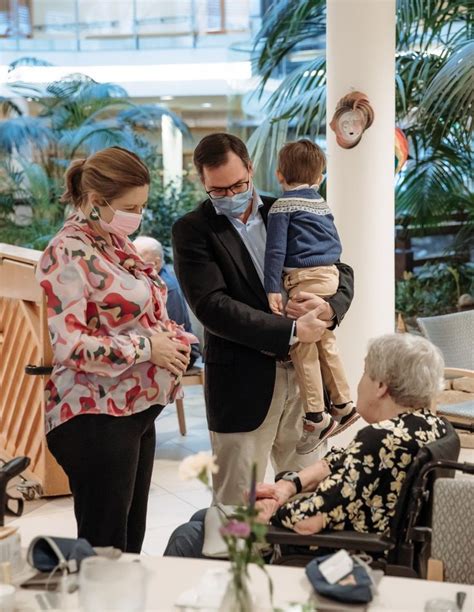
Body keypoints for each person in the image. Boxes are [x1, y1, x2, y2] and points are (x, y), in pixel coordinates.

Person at [172, 133, 354, 505]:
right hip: (244, 381)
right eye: (217, 190)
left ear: (251, 169)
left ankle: (295, 561)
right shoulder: (193, 230)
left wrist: (330, 307)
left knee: (305, 493)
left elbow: (338, 267)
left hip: (305, 385)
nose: (230, 195)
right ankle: (236, 563)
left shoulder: (284, 208)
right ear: (203, 182)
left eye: (238, 184)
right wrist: (290, 330)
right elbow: (211, 306)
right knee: (238, 501)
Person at [163, 333, 448, 558]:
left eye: (364, 373)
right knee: (204, 519)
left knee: (187, 536)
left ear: (381, 387)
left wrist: (273, 507)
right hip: (367, 535)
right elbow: (340, 461)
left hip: (331, 551)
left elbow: (306, 522)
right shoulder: (430, 426)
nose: (356, 382)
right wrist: (289, 486)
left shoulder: (378, 440)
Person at [36, 147, 192, 553]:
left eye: (140, 206)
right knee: (106, 550)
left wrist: (170, 337)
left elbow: (134, 310)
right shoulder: (66, 251)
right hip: (94, 416)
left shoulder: (112, 242)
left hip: (133, 410)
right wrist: (148, 347)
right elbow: (71, 345)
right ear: (95, 201)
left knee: (129, 546)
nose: (136, 216)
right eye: (128, 206)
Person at [265, 139, 358, 455]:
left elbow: (275, 251)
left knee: (302, 347)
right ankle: (344, 404)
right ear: (319, 178)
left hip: (304, 280)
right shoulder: (322, 204)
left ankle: (316, 415)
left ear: (280, 175)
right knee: (325, 342)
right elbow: (336, 246)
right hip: (329, 276)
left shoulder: (282, 207)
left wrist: (271, 288)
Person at [133, 236, 202, 369]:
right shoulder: (149, 280)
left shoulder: (167, 286)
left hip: (183, 350)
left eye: (139, 256)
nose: (133, 259)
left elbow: (174, 330)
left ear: (156, 262)